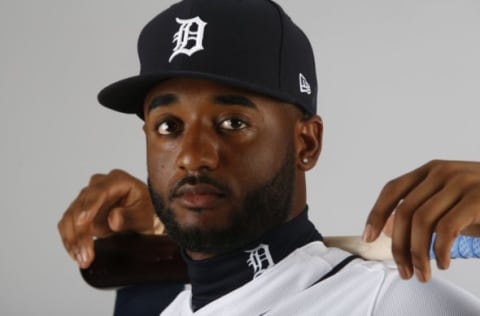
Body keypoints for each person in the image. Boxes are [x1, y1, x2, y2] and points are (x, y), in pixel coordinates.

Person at [58, 0, 480, 314]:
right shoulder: (158, 297)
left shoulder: (387, 304)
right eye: (169, 126)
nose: (191, 157)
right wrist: (154, 240)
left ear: (306, 143)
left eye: (233, 123)